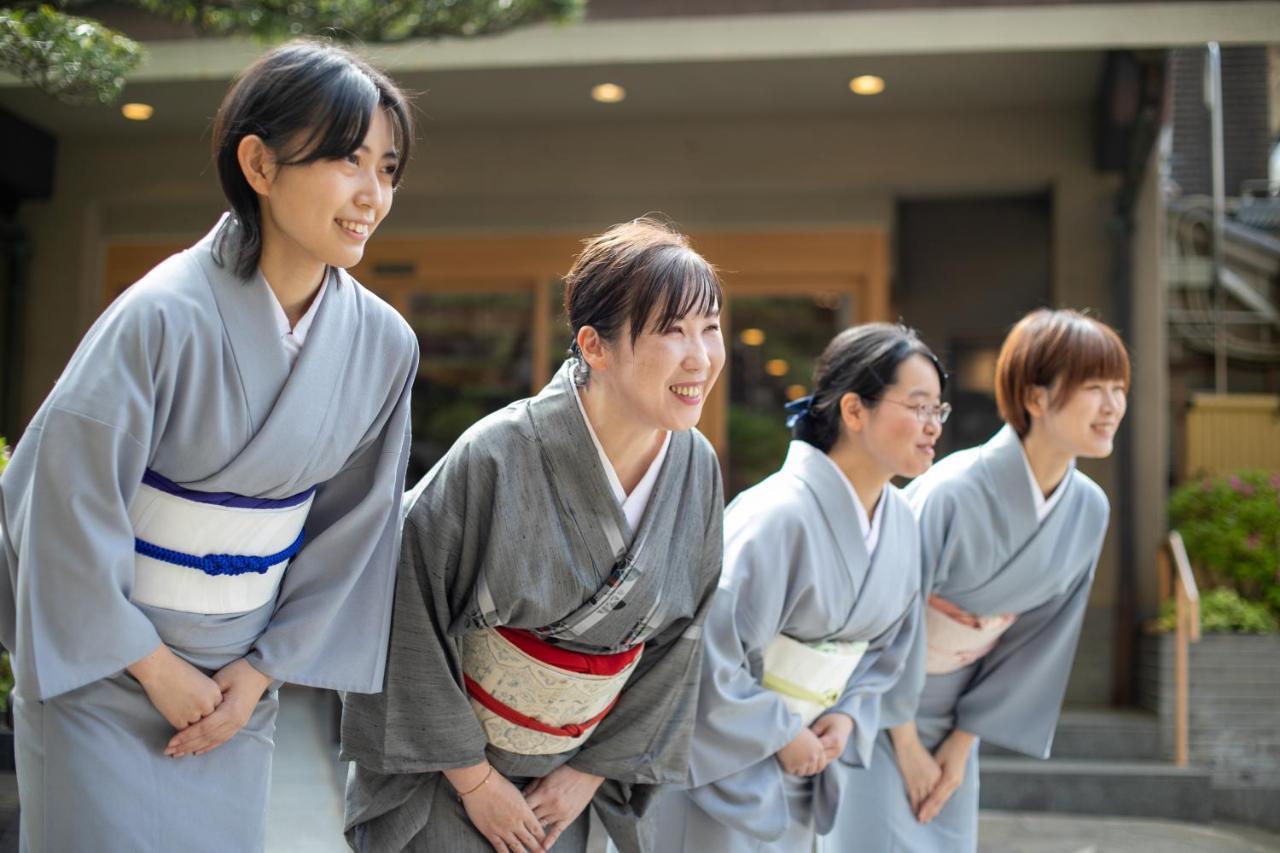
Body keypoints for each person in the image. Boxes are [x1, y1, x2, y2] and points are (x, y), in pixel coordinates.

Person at [0, 40, 418, 851]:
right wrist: (153, 666)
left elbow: (355, 529)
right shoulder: (158, 314)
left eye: (389, 169)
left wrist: (259, 671)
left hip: (234, 688)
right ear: (258, 164)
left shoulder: (385, 344)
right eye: (346, 159)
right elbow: (61, 506)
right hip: (104, 670)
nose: (372, 194)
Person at [341, 217, 727, 853]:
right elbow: (405, 613)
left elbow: (680, 638)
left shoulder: (696, 467)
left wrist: (586, 772)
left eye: (709, 328)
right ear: (594, 346)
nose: (701, 357)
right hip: (446, 781)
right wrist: (474, 782)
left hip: (566, 788)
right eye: (672, 330)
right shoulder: (496, 455)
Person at [833, 308, 1130, 852]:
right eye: (1095, 387)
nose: (1113, 406)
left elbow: (1043, 634)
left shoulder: (1089, 508)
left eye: (1119, 388)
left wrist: (962, 743)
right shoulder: (952, 489)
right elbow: (884, 612)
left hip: (955, 722)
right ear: (1036, 398)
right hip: (874, 712)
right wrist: (904, 743)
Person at [655, 323, 944, 851]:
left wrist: (847, 715)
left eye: (938, 412)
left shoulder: (903, 522)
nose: (932, 427)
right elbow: (705, 653)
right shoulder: (776, 516)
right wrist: (780, 731)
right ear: (855, 411)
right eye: (919, 407)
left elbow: (885, 654)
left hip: (805, 765)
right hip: (725, 768)